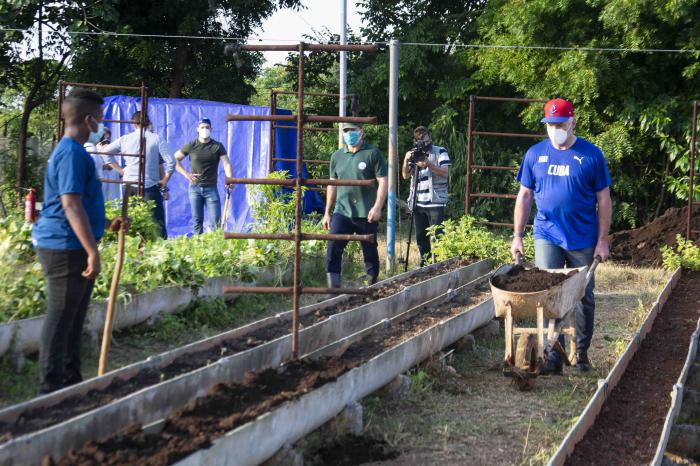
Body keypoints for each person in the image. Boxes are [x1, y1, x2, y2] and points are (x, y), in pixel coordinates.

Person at [31, 89, 123, 394]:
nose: (102, 124)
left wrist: (108, 224)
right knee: (60, 318)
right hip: (64, 247)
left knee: (73, 318)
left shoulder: (77, 152)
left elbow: (80, 203)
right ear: (88, 119)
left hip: (72, 245)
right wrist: (91, 252)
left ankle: (70, 383)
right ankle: (49, 389)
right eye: (100, 118)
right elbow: (70, 205)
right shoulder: (71, 153)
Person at [510, 98, 612, 374]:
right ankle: (553, 355)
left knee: (582, 296)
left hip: (583, 237)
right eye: (550, 124)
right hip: (547, 233)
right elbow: (525, 195)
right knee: (549, 294)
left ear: (572, 123)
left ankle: (580, 353)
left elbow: (604, 200)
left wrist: (602, 239)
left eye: (560, 124)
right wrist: (518, 235)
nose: (555, 128)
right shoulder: (535, 154)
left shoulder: (591, 156)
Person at [323, 122, 388, 288]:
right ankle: (333, 290)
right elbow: (332, 184)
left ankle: (370, 285)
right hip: (342, 211)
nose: (349, 134)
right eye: (346, 131)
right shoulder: (337, 156)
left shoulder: (372, 154)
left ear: (361, 132)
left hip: (366, 212)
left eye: (352, 130)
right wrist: (327, 212)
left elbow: (383, 181)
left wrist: (377, 207)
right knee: (333, 248)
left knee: (370, 251)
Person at [100, 111, 174, 238]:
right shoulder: (157, 139)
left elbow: (105, 152)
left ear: (134, 124)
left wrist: (121, 171)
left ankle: (131, 248)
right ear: (148, 122)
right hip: (150, 185)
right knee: (157, 222)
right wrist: (165, 180)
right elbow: (171, 161)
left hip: (129, 184)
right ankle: (160, 249)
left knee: (131, 221)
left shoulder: (125, 139)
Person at [402, 126, 451, 266]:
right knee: (421, 237)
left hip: (435, 201)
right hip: (418, 202)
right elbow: (405, 176)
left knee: (438, 235)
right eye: (423, 141)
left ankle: (440, 264)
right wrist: (406, 160)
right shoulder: (414, 154)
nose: (427, 144)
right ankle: (425, 263)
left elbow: (445, 173)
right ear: (415, 141)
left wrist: (429, 164)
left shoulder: (440, 151)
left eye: (428, 140)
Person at [175, 118, 233, 234]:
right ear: (198, 129)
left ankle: (215, 248)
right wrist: (186, 174)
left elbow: (226, 164)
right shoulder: (191, 145)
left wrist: (230, 179)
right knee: (197, 222)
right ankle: (198, 248)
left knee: (215, 222)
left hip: (211, 188)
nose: (205, 130)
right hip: (194, 189)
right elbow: (174, 159)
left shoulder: (217, 146)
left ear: (211, 129)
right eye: (202, 127)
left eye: (207, 127)